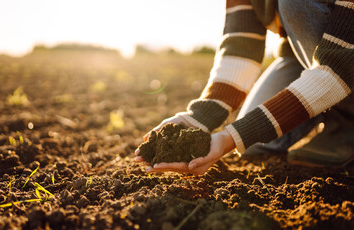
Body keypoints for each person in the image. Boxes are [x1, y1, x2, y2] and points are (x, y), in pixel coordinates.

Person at [135, 0, 354, 175]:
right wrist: (199, 117)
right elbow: (241, 48)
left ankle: (345, 122)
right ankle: (327, 108)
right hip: (302, 56)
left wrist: (230, 138)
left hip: (344, 57)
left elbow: (338, 68)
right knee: (251, 144)